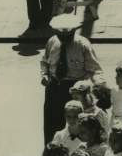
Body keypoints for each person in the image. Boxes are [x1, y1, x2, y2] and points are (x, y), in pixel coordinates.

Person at [40, 15, 104, 143]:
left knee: (76, 125)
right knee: (51, 124)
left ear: (74, 31)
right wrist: (45, 75)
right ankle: (53, 155)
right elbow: (44, 61)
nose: (63, 39)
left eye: (67, 36)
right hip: (54, 87)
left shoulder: (83, 45)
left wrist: (100, 87)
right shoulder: (52, 41)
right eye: (60, 35)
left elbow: (95, 69)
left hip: (75, 90)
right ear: (56, 32)